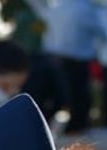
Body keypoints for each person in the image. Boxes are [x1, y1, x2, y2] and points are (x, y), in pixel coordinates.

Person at [25, 0, 101, 134]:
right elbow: (103, 32)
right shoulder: (86, 9)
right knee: (77, 102)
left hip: (54, 59)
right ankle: (72, 133)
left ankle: (43, 131)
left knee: (57, 100)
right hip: (75, 63)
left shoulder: (58, 7)